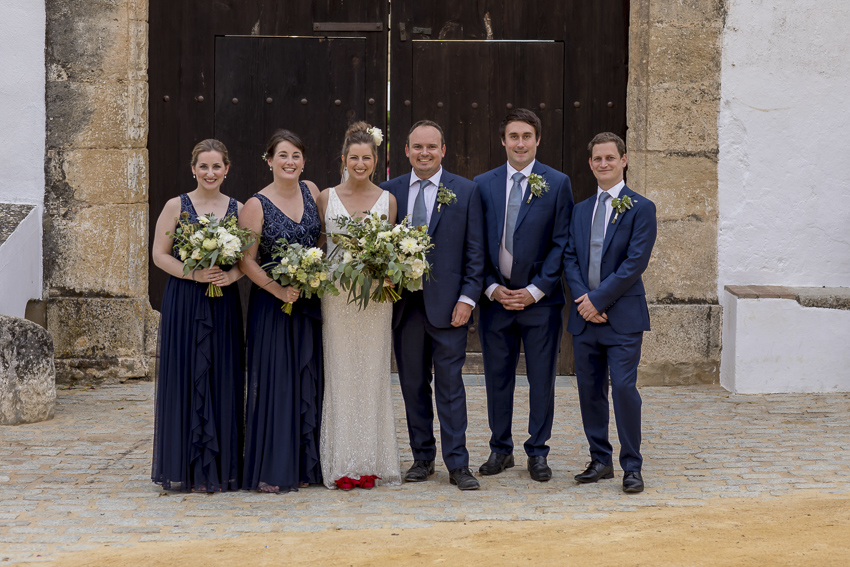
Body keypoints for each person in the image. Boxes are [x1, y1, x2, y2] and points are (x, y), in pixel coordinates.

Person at [381, 120, 485, 490]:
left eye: (431, 147)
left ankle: (458, 464)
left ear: (443, 150)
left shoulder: (467, 191)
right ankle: (422, 458)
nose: (424, 153)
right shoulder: (389, 193)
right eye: (417, 147)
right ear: (406, 151)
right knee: (412, 385)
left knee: (451, 387)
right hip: (405, 308)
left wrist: (467, 299)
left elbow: (476, 253)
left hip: (450, 309)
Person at [474, 108, 573, 482]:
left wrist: (534, 291)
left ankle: (538, 451)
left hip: (540, 304)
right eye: (513, 136)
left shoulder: (558, 182)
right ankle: (501, 449)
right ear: (503, 140)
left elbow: (561, 243)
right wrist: (492, 287)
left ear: (537, 140)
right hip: (496, 301)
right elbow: (475, 243)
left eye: (526, 136)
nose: (520, 143)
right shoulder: (482, 184)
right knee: (497, 378)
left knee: (541, 379)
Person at [563, 132, 657, 494]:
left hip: (622, 317)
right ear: (590, 164)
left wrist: (599, 301)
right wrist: (584, 302)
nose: (603, 164)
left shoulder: (641, 207)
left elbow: (635, 263)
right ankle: (599, 460)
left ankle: (632, 465)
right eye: (597, 159)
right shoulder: (580, 209)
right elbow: (570, 257)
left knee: (622, 388)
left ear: (624, 160)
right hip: (585, 318)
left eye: (610, 158)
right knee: (589, 391)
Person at [150, 139, 245, 492]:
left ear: (227, 169)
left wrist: (229, 276)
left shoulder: (237, 208)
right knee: (186, 374)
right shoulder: (176, 206)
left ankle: (219, 468)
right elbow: (160, 255)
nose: (210, 173)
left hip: (222, 303)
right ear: (193, 169)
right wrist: (195, 274)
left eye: (216, 166)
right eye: (203, 166)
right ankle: (185, 466)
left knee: (221, 376)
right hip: (185, 301)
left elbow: (245, 261)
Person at [316, 122, 402, 489]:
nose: (360, 163)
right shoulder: (325, 197)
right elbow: (319, 245)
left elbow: (393, 253)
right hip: (336, 296)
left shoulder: (387, 200)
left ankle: (370, 462)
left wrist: (388, 275)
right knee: (340, 373)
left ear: (376, 160)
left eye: (367, 157)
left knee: (371, 373)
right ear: (343, 159)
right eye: (354, 157)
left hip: (375, 300)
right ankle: (341, 464)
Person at [239, 129, 324, 493]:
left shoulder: (314, 191)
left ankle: (307, 465)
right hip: (273, 306)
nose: (290, 162)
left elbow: (321, 238)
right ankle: (274, 467)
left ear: (303, 161)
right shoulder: (255, 205)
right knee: (277, 382)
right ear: (269, 160)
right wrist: (278, 289)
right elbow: (246, 260)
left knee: (308, 378)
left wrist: (312, 271)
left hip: (308, 301)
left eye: (296, 156)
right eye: (283, 156)